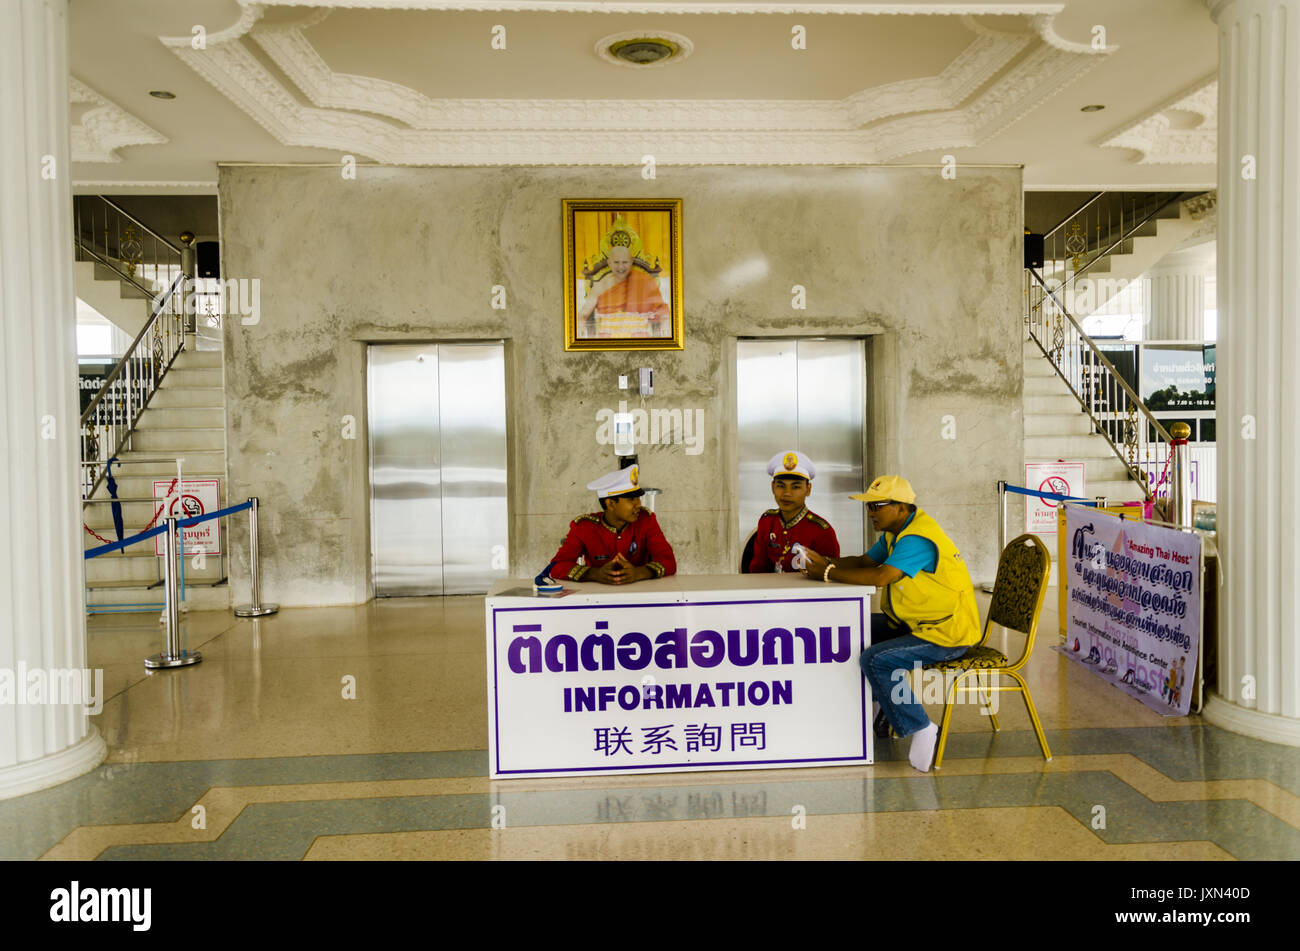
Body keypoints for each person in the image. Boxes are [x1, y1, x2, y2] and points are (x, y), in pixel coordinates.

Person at [799, 475, 981, 772]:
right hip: (915, 624)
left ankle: (921, 727)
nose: (871, 513)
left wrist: (828, 574)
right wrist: (824, 560)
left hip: (946, 634)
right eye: (869, 506)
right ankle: (880, 707)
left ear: (901, 507)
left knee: (875, 659)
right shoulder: (895, 533)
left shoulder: (917, 538)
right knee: (852, 632)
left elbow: (881, 577)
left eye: (877, 506)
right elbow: (865, 562)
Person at [549, 464, 676, 584]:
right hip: (598, 600)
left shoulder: (646, 520)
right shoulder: (584, 527)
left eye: (638, 498)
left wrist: (637, 573)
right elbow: (557, 567)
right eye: (631, 499)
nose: (638, 504)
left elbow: (668, 561)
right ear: (611, 504)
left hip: (640, 597)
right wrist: (596, 574)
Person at [748, 450, 839, 573]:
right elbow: (757, 570)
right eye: (781, 485)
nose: (787, 493)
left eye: (796, 487)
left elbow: (830, 578)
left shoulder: (821, 532)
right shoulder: (767, 522)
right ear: (772, 487)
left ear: (808, 489)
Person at [577, 239, 670, 339]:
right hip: (608, 339)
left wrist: (665, 321)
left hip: (639, 338)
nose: (620, 267)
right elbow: (583, 314)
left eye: (625, 262)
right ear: (609, 263)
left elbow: (661, 309)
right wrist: (580, 324)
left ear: (631, 262)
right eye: (616, 262)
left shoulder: (645, 281)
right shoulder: (600, 286)